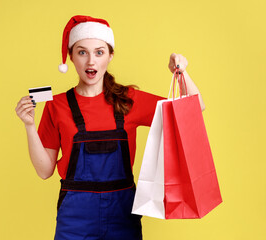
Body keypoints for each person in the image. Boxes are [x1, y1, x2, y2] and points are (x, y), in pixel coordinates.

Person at [15, 15, 205, 240]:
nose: (91, 62)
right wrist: (29, 125)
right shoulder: (57, 105)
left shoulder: (128, 100)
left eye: (99, 52)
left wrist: (181, 71)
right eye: (82, 52)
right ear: (72, 57)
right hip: (75, 219)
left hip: (122, 214)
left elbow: (194, 108)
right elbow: (44, 170)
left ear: (110, 55)